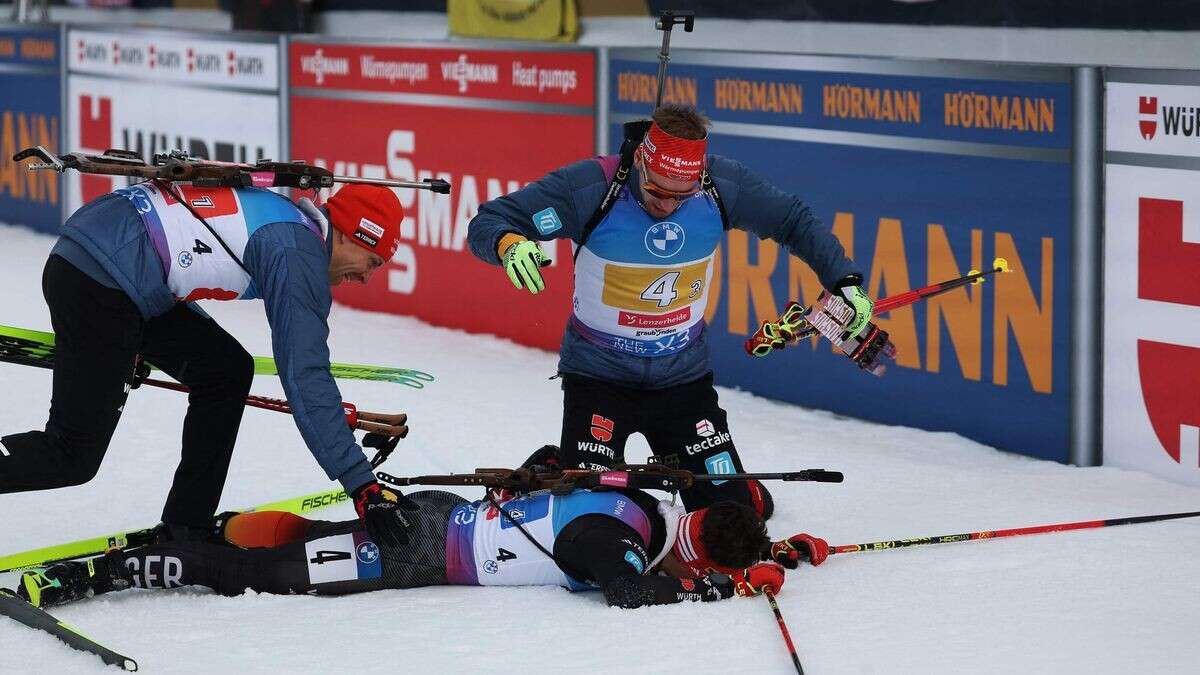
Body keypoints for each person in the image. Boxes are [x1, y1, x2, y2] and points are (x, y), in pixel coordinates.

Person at [467, 104, 873, 517]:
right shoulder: (593, 187)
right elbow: (492, 220)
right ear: (641, 160)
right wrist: (509, 244)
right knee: (593, 520)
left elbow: (793, 220)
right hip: (599, 378)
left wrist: (844, 280)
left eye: (683, 195)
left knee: (732, 519)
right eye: (658, 192)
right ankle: (559, 465)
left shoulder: (721, 185)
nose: (669, 206)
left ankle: (725, 484)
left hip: (683, 379)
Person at [0, 180, 415, 549]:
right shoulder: (296, 253)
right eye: (372, 262)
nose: (365, 279)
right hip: (101, 278)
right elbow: (305, 375)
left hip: (115, 264)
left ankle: (186, 528)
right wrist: (362, 486)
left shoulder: (289, 223)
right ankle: (186, 525)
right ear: (351, 233)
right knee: (71, 455)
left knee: (226, 369)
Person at [15, 453, 828, 610]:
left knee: (296, 540)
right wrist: (720, 586)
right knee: (263, 579)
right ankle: (111, 573)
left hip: (434, 523)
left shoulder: (649, 508)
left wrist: (780, 549)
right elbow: (622, 587)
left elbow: (741, 504)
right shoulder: (620, 538)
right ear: (692, 550)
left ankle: (204, 528)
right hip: (413, 549)